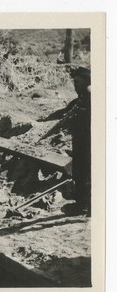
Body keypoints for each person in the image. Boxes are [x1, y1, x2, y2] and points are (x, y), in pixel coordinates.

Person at [69, 67, 91, 216]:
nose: (74, 85)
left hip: (88, 143)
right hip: (80, 142)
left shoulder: (91, 98)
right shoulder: (81, 99)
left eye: (77, 82)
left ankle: (87, 206)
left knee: (87, 173)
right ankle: (82, 205)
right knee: (79, 173)